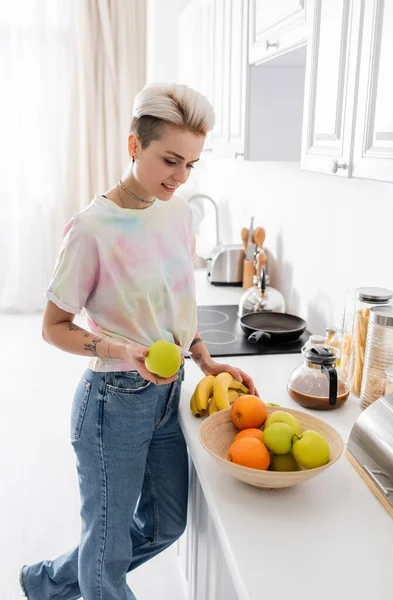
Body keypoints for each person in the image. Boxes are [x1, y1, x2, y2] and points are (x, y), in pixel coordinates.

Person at [19, 82, 256, 600]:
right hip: (112, 403)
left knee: (164, 526)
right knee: (106, 562)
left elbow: (179, 302)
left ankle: (46, 582)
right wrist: (121, 350)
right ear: (134, 146)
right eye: (171, 160)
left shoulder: (179, 213)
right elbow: (52, 326)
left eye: (191, 164)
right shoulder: (91, 229)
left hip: (168, 395)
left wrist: (205, 359)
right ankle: (67, 580)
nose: (180, 176)